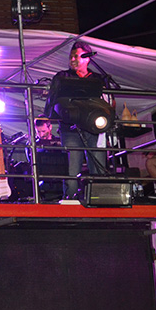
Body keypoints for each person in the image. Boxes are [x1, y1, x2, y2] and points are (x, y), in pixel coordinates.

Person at [48, 41, 109, 200]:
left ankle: (99, 200)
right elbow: (53, 102)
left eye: (77, 56)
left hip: (94, 127)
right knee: (72, 168)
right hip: (70, 128)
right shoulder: (62, 77)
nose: (73, 59)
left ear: (87, 58)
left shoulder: (97, 79)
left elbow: (108, 102)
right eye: (71, 56)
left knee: (98, 166)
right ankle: (70, 200)